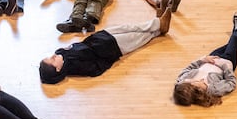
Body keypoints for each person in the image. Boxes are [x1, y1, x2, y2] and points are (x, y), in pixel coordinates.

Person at [38, 8, 173, 85]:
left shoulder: (60, 52)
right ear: (58, 68)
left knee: (130, 27)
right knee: (136, 37)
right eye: (52, 59)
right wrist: (111, 57)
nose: (54, 55)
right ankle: (159, 28)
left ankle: (157, 23)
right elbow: (96, 69)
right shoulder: (75, 66)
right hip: (111, 47)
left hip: (101, 37)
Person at [174, 13, 237, 106]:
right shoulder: (214, 89)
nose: (190, 80)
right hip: (227, 61)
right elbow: (231, 83)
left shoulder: (183, 82)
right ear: (197, 90)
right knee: (234, 39)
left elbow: (188, 69)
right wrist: (226, 67)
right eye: (192, 83)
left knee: (233, 43)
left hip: (212, 57)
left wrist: (202, 60)